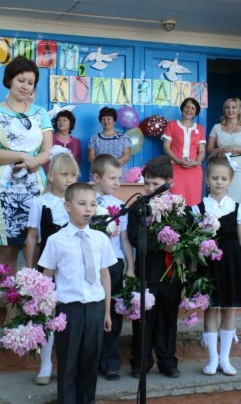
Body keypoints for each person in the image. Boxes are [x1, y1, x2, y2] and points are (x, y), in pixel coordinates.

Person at [0, 56, 53, 289]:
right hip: (2, 189)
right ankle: (10, 306)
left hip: (36, 189)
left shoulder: (41, 112)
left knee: (37, 250)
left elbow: (47, 150)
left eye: (30, 82)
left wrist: (33, 162)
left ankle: (35, 304)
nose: (25, 86)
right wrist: (23, 157)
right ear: (9, 80)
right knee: (7, 254)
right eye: (21, 80)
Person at [38, 182, 116, 404]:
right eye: (82, 204)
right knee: (68, 361)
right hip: (68, 309)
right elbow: (47, 276)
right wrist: (48, 311)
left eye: (92, 204)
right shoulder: (56, 240)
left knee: (90, 362)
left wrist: (107, 312)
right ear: (68, 206)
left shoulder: (100, 239)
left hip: (95, 307)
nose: (88, 209)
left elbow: (105, 275)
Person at [24, 150, 80, 386]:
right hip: (47, 266)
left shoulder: (78, 202)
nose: (69, 179)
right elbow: (32, 236)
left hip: (74, 266)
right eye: (64, 174)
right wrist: (29, 270)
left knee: (72, 312)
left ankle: (70, 365)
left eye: (73, 175)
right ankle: (45, 364)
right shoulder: (39, 202)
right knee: (47, 314)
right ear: (51, 176)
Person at [195, 152, 241, 376]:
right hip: (208, 266)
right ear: (207, 179)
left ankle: (225, 359)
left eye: (224, 178)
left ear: (230, 181)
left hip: (231, 265)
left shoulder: (238, 209)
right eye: (215, 178)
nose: (219, 182)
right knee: (210, 310)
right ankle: (212, 358)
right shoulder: (198, 209)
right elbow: (194, 243)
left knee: (229, 310)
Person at [127, 155, 182, 378]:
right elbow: (134, 236)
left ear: (170, 183)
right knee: (144, 316)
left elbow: (187, 236)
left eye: (156, 184)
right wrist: (161, 245)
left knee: (168, 315)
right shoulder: (138, 207)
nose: (150, 188)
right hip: (147, 269)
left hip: (171, 271)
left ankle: (167, 360)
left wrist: (178, 248)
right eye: (147, 183)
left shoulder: (179, 206)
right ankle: (141, 361)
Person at [91, 154, 135, 381]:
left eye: (119, 178)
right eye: (112, 178)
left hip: (114, 263)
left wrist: (130, 267)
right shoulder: (86, 202)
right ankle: (91, 361)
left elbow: (124, 239)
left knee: (113, 314)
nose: (117, 182)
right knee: (92, 312)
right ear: (96, 178)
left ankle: (110, 361)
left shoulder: (120, 206)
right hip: (90, 264)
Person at [206, 98, 241, 204]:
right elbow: (209, 149)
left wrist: (236, 149)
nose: (230, 110)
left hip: (240, 167)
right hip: (220, 164)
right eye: (227, 107)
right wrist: (222, 150)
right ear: (224, 110)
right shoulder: (216, 127)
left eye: (234, 107)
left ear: (239, 110)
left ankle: (235, 215)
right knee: (220, 196)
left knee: (238, 198)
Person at [162, 97, 206, 206]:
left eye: (193, 108)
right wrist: (177, 160)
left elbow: (201, 150)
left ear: (196, 112)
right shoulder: (172, 125)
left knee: (193, 201)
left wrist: (196, 162)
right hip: (175, 168)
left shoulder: (200, 129)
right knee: (175, 201)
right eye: (187, 107)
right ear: (182, 109)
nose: (189, 110)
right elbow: (166, 147)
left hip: (194, 170)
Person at [87, 106, 132, 180]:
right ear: (100, 122)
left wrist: (110, 167)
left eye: (109, 119)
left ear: (114, 121)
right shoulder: (94, 138)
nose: (106, 121)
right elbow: (91, 157)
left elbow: (127, 156)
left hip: (118, 174)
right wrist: (102, 168)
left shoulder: (123, 138)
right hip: (100, 174)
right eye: (103, 119)